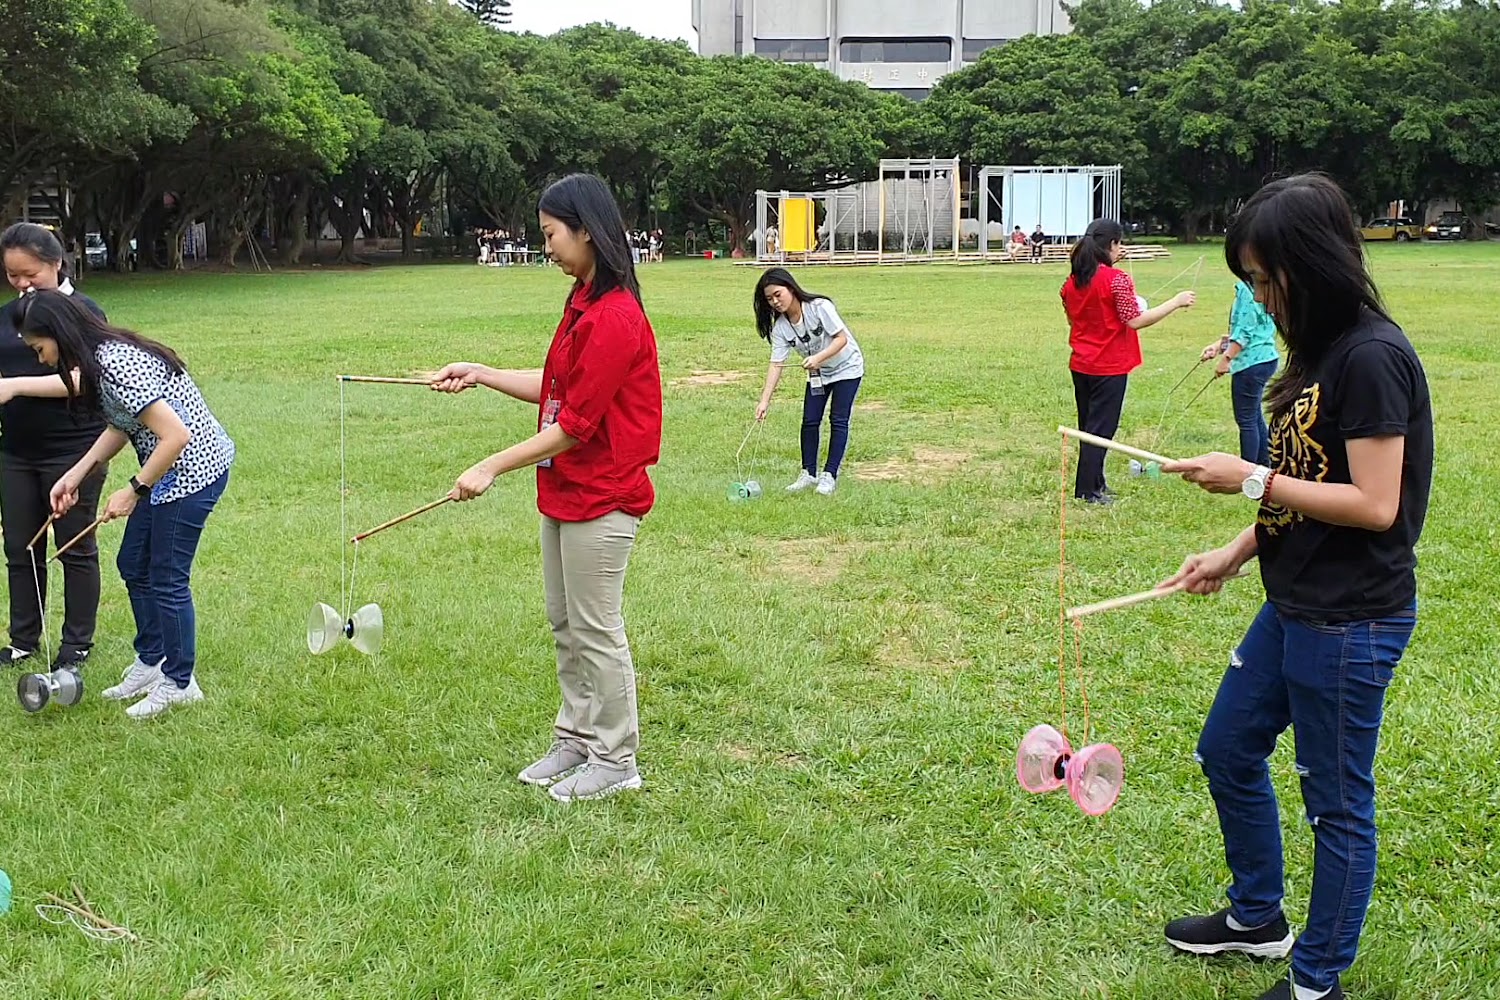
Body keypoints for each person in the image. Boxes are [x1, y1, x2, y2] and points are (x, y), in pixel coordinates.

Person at [1159, 174, 1432, 1000]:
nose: (1261, 296)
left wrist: (1250, 482)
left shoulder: (1372, 356)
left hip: (1351, 621)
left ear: (1312, 265)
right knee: (1228, 748)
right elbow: (1305, 474)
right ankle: (1257, 919)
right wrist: (1238, 551)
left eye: (1267, 279)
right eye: (1250, 281)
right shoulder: (1312, 345)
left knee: (1336, 807)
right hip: (1293, 603)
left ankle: (1316, 982)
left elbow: (1376, 505)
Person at [430, 173, 662, 803]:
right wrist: (479, 372)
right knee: (565, 623)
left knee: (595, 626)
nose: (548, 247)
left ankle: (616, 759)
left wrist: (490, 465)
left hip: (604, 493)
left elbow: (576, 425)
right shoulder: (582, 298)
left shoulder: (615, 315)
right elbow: (558, 384)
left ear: (586, 230)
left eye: (552, 234)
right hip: (565, 492)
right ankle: (577, 737)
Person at [16, 290, 234, 719]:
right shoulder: (100, 360)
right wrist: (75, 474)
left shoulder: (116, 361)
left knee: (166, 577)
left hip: (193, 472)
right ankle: (152, 663)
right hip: (165, 471)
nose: (41, 360)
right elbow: (124, 423)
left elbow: (176, 436)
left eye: (40, 349)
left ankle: (180, 681)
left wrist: (133, 489)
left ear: (58, 335)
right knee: (133, 564)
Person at [0, 223, 110, 674]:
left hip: (74, 449)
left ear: (56, 263)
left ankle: (76, 645)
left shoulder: (84, 312)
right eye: (12, 276)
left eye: (31, 274)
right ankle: (24, 639)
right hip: (16, 452)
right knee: (21, 548)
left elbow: (90, 379)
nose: (23, 284)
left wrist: (14, 387)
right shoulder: (8, 317)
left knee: (74, 549)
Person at [1060, 218, 1194, 503]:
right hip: (1109, 366)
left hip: (1081, 364)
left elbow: (1073, 317)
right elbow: (1134, 320)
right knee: (1101, 430)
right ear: (1110, 244)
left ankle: (1096, 481)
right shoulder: (1116, 280)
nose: (1121, 249)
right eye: (1119, 243)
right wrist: (1176, 301)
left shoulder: (1071, 283)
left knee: (1089, 427)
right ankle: (1087, 490)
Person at [752, 267, 865, 496]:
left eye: (777, 294)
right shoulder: (782, 328)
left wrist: (818, 358)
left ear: (791, 288)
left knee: (838, 419)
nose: (774, 301)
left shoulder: (819, 307)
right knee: (810, 421)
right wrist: (764, 402)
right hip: (819, 375)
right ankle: (808, 473)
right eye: (769, 299)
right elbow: (777, 364)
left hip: (847, 368)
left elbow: (841, 339)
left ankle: (829, 475)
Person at [1201, 279, 1280, 466]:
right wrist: (1218, 347)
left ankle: (1246, 471)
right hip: (1265, 358)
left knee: (1246, 420)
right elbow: (1248, 327)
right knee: (1253, 416)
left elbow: (1244, 332)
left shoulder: (1247, 289)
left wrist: (1226, 359)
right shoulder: (1262, 284)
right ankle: (1263, 465)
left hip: (1252, 364)